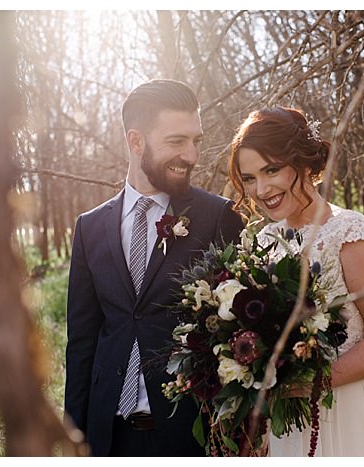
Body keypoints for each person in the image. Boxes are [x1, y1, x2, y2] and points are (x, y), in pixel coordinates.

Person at [64, 79, 244, 456]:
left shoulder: (217, 218)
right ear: (136, 142)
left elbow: (240, 337)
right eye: (177, 142)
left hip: (189, 434)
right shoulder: (90, 227)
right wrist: (74, 436)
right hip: (107, 433)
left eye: (195, 140)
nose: (192, 155)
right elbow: (82, 343)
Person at [227, 106, 364, 456]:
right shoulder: (262, 242)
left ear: (305, 164)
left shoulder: (350, 234)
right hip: (282, 422)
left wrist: (311, 382)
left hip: (341, 407)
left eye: (272, 169)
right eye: (249, 178)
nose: (261, 189)